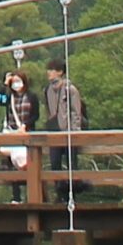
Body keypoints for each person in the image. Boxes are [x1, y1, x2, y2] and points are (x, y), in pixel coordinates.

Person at [0, 68, 39, 202]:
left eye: (18, 81)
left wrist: (25, 125)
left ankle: (32, 195)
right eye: (13, 81)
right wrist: (4, 85)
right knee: (13, 165)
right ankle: (16, 197)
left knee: (28, 165)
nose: (16, 84)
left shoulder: (32, 96)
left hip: (26, 132)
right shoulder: (10, 97)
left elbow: (35, 115)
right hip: (12, 132)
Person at [44, 57, 85, 187]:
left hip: (69, 132)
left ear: (60, 72)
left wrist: (75, 132)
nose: (49, 73)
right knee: (55, 164)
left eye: (52, 70)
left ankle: (72, 193)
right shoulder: (48, 90)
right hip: (54, 131)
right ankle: (59, 192)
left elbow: (76, 112)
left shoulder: (70, 90)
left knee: (71, 165)